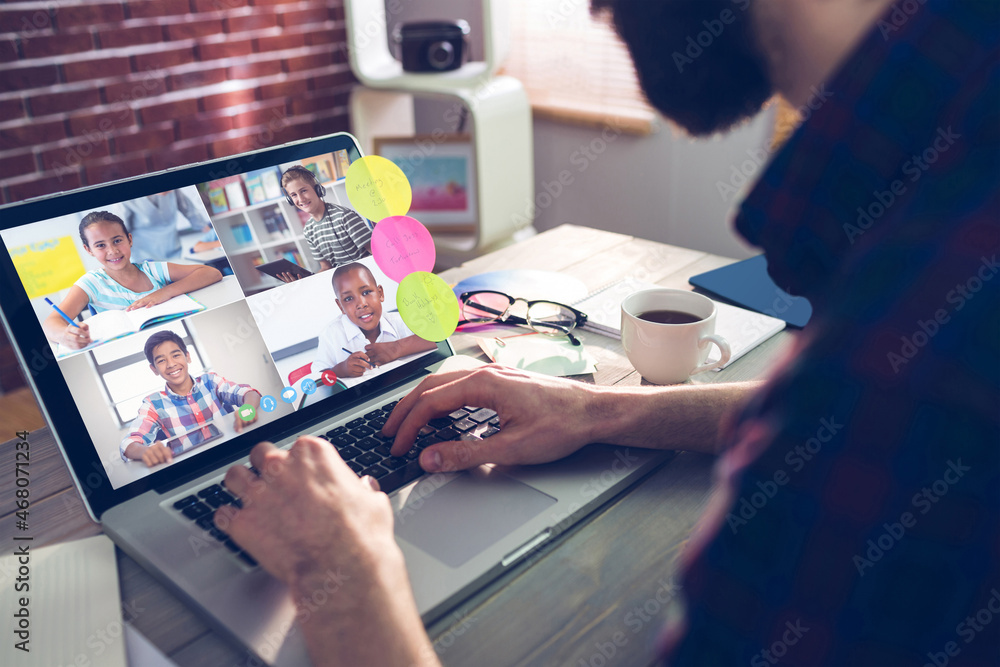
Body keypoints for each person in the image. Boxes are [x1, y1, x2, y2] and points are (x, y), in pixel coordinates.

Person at [214, 1, 999, 665]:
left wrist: (339, 574)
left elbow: (866, 411)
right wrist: (604, 411)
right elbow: (835, 424)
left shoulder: (910, 341)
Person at [42, 211, 223, 350]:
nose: (112, 250)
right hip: (125, 347)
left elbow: (211, 273)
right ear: (88, 250)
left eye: (117, 240)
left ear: (129, 239)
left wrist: (165, 292)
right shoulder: (91, 283)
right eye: (100, 245)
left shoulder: (152, 269)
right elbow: (50, 323)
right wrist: (64, 336)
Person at [120, 330, 261, 467]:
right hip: (196, 467)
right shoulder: (153, 404)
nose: (171, 364)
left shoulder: (211, 381)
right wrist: (147, 451)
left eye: (176, 355)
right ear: (154, 369)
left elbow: (248, 393)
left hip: (236, 452)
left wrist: (248, 409)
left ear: (187, 356)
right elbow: (129, 443)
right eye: (162, 360)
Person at [312, 262, 436, 379]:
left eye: (366, 292)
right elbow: (315, 380)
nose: (361, 304)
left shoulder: (399, 320)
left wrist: (396, 348)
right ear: (340, 306)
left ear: (380, 293)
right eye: (349, 298)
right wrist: (341, 370)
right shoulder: (331, 334)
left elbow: (439, 338)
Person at [277, 165, 372, 282]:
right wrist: (302, 281)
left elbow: (375, 254)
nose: (301, 199)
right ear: (290, 200)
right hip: (342, 283)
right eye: (294, 195)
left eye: (304, 191)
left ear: (318, 190)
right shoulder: (308, 230)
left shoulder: (344, 216)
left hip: (365, 278)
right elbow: (326, 267)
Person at [121, 190, 213, 262]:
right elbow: (121, 229)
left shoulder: (173, 190)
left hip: (171, 246)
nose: (170, 192)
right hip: (143, 251)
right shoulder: (126, 197)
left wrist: (205, 228)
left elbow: (187, 207)